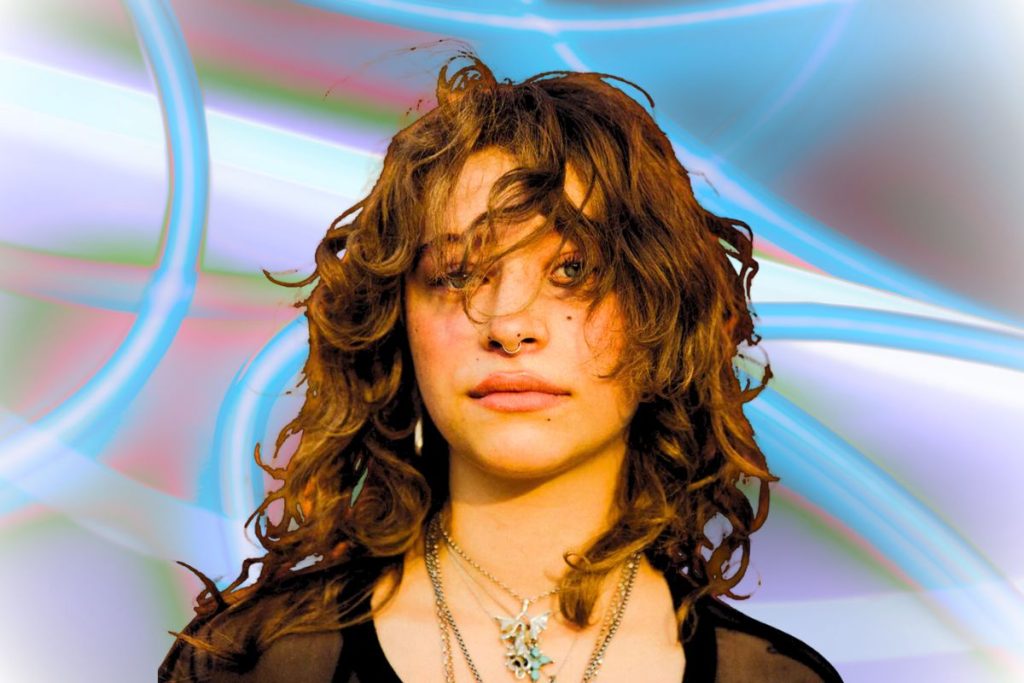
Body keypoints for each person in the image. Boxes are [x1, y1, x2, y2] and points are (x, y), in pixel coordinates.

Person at [159, 51, 843, 682]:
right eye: (459, 274)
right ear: (397, 321)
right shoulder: (253, 667)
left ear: (663, 313)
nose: (510, 326)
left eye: (574, 271)